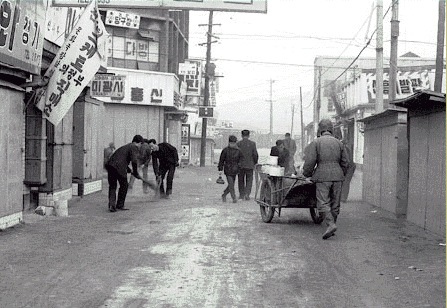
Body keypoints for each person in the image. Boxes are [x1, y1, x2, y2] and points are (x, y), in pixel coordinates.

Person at [302, 119, 350, 240]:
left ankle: (330, 224)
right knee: (335, 203)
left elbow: (310, 162)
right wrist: (340, 174)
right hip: (338, 176)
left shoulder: (316, 142)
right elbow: (346, 162)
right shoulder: (339, 143)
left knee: (323, 202)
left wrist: (307, 174)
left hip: (323, 176)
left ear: (320, 130)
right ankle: (332, 223)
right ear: (331, 130)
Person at [105, 135, 143, 212]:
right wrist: (135, 172)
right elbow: (134, 161)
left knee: (112, 186)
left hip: (111, 166)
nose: (140, 146)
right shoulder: (133, 147)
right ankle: (120, 205)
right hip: (119, 167)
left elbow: (121, 160)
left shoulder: (125, 147)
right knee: (124, 186)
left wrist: (130, 171)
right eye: (141, 144)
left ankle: (112, 205)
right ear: (139, 143)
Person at [218, 135, 244, 203]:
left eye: (234, 143)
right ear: (229, 143)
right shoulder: (225, 150)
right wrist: (220, 169)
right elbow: (221, 160)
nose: (232, 144)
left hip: (235, 170)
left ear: (236, 143)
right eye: (231, 143)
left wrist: (239, 166)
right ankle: (234, 198)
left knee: (231, 185)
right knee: (231, 184)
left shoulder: (239, 151)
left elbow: (241, 160)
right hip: (227, 169)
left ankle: (224, 194)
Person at [236, 130, 259, 201]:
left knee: (241, 180)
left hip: (240, 165)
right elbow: (255, 155)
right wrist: (255, 163)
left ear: (241, 135)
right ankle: (247, 194)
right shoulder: (252, 144)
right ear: (249, 135)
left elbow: (236, 155)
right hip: (250, 165)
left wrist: (237, 163)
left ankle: (241, 195)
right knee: (249, 180)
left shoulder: (238, 144)